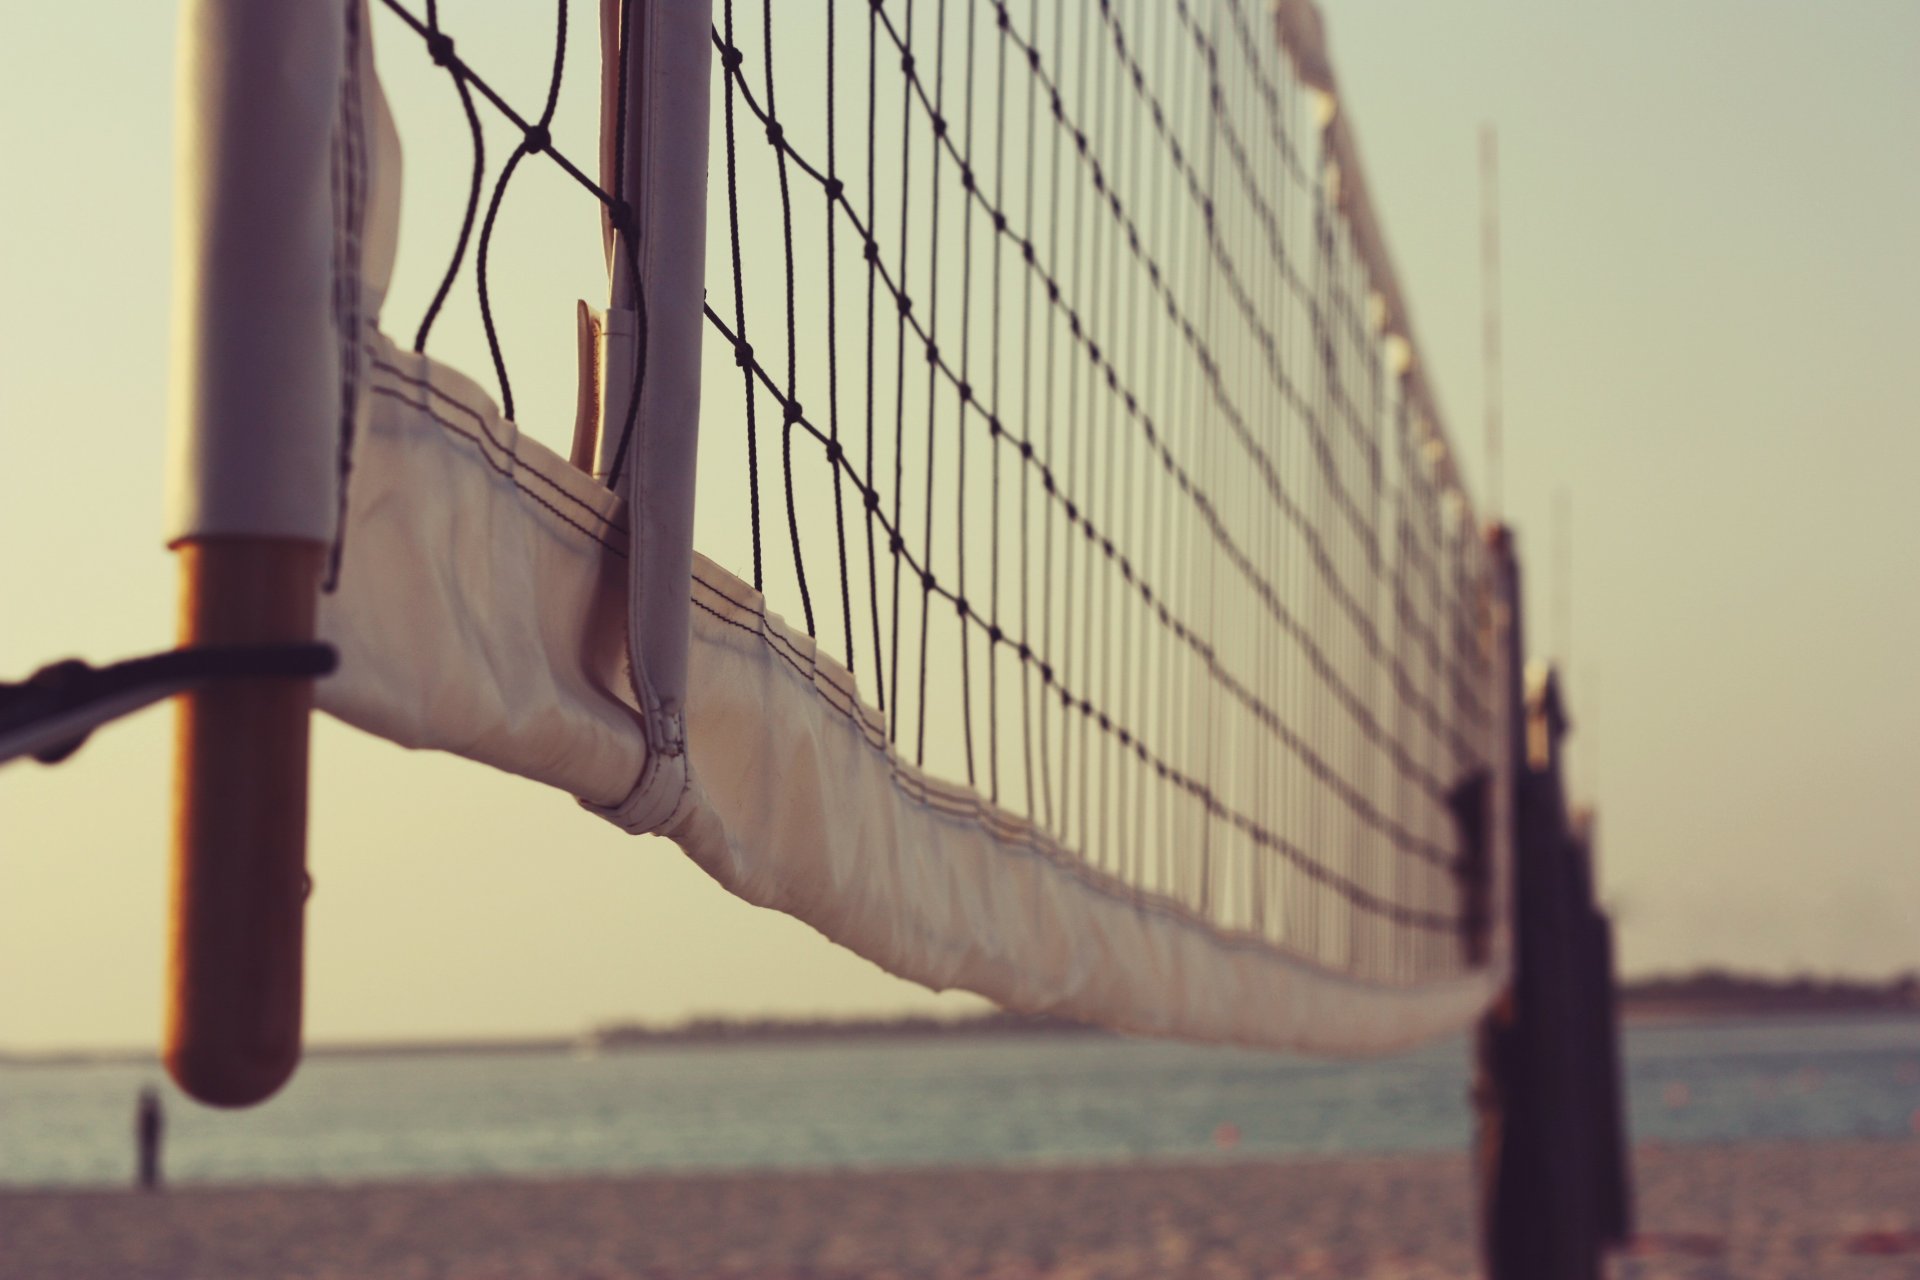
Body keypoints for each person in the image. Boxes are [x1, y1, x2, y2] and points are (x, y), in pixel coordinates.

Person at [135, 1086, 164, 1190]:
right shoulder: (149, 1112)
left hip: (150, 1139)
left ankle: (149, 1179)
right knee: (147, 1159)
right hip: (149, 1139)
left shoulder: (146, 1111)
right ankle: (147, 1179)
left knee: (149, 1159)